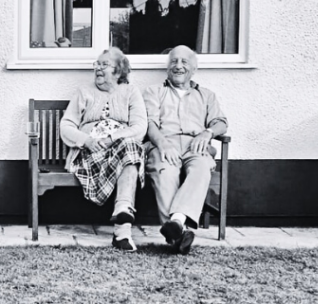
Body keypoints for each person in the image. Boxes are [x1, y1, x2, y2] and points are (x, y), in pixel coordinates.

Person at [59, 46, 147, 252]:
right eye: (96, 64)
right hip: (90, 155)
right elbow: (66, 126)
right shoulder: (84, 92)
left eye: (104, 65)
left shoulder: (131, 92)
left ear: (119, 70)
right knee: (131, 153)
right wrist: (87, 140)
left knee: (131, 147)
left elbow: (140, 128)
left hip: (120, 152)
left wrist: (112, 138)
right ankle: (122, 228)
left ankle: (123, 218)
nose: (98, 69)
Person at [144, 45, 228, 255]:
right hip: (165, 144)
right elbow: (150, 124)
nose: (178, 66)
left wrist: (207, 133)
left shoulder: (206, 95)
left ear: (194, 68)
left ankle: (176, 224)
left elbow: (221, 122)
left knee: (201, 168)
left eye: (184, 62)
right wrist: (162, 143)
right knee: (165, 172)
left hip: (195, 146)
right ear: (167, 67)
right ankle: (179, 232)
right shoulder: (154, 92)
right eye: (174, 62)